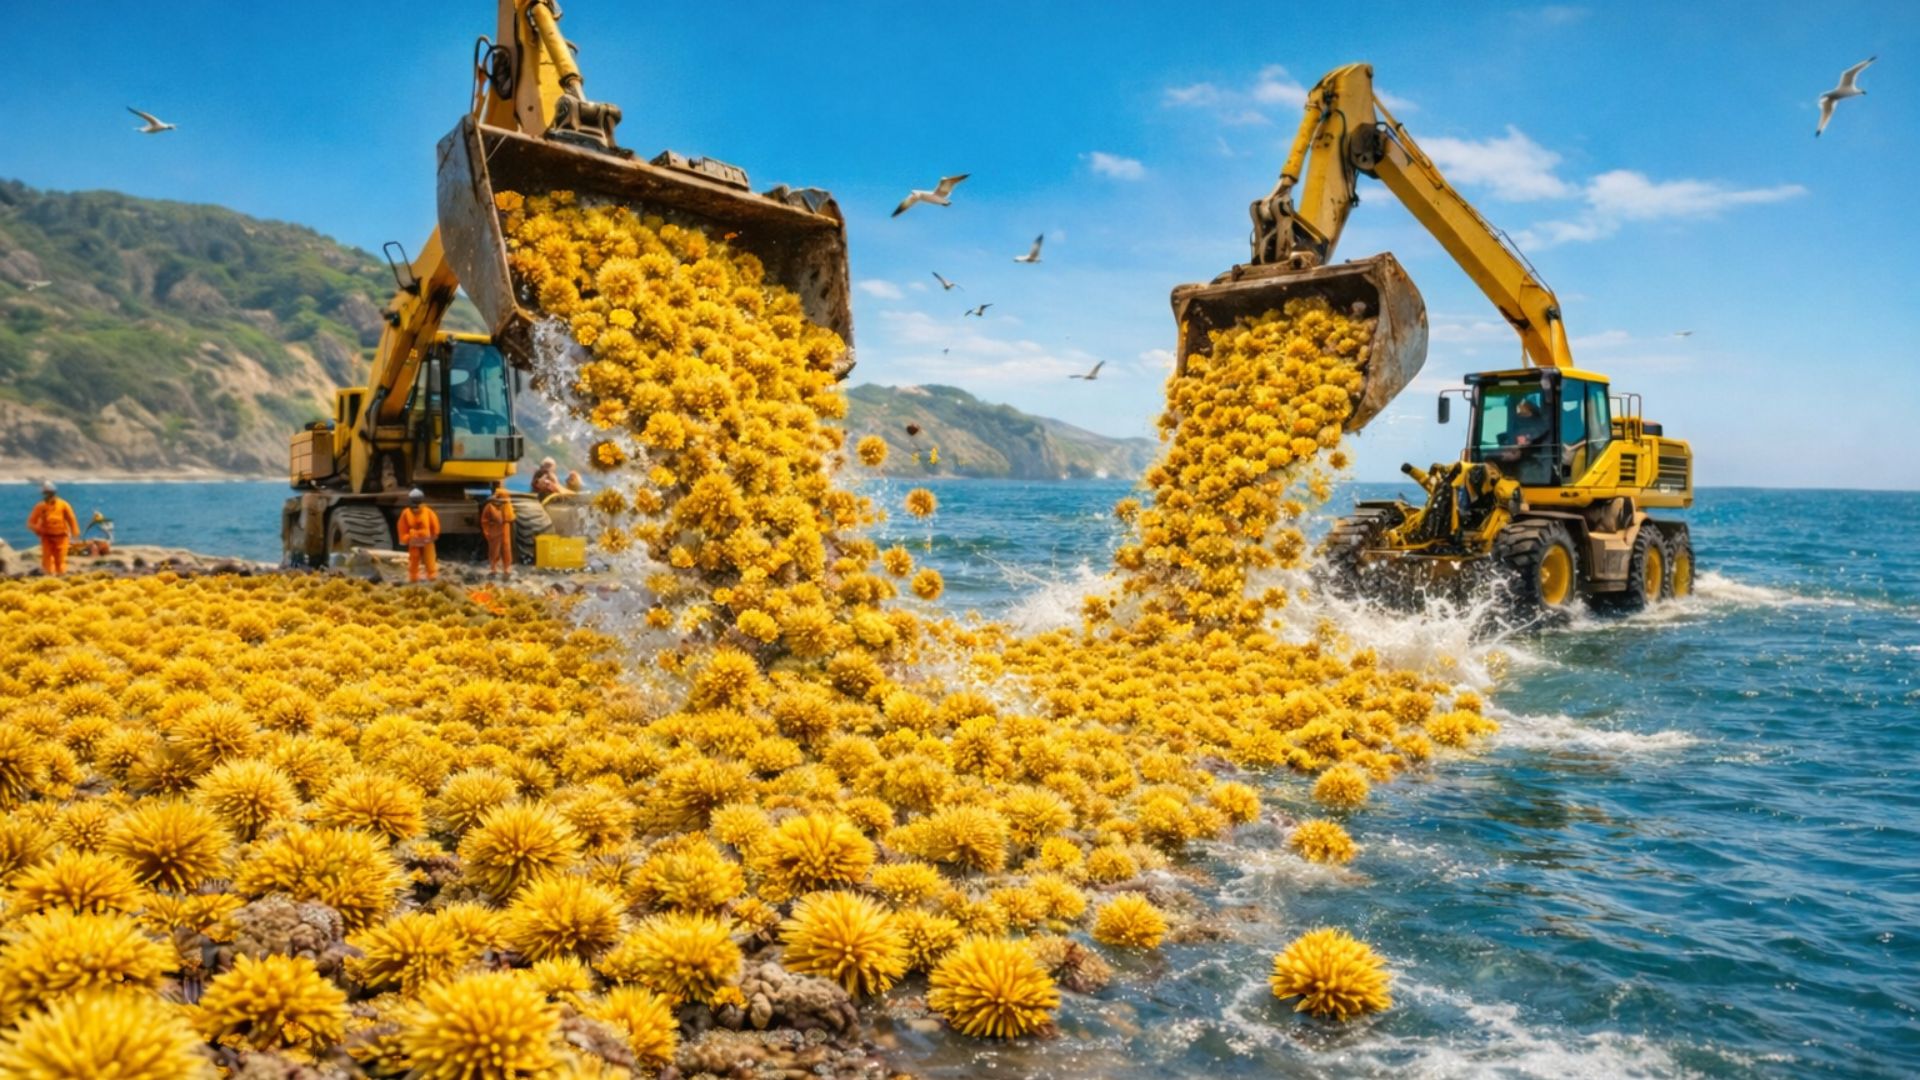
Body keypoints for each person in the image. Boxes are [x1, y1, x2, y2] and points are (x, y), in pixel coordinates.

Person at [26, 482, 78, 576]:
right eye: (46, 493)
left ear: (54, 493)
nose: (48, 495)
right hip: (47, 537)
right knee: (47, 558)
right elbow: (30, 523)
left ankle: (61, 575)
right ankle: (48, 576)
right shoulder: (40, 506)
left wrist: (75, 532)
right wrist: (38, 530)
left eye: (50, 493)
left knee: (60, 558)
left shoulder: (63, 505)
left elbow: (71, 518)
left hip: (62, 537)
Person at [396, 488, 441, 583]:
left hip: (426, 540)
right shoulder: (406, 513)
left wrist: (434, 534)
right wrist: (406, 538)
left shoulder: (428, 512)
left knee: (429, 558)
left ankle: (432, 575)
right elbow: (402, 527)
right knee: (414, 558)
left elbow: (434, 524)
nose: (415, 508)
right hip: (414, 540)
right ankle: (413, 577)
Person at [480, 482, 516, 578]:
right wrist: (487, 531)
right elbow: (484, 520)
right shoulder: (490, 506)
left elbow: (511, 517)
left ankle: (506, 567)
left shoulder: (507, 505)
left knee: (506, 548)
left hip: (505, 528)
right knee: (494, 550)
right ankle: (493, 567)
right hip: (495, 530)